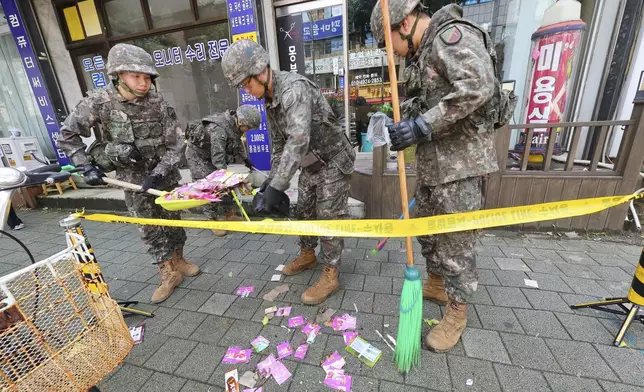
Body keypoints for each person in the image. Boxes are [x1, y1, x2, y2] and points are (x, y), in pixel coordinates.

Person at [370, 1, 515, 352]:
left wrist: (420, 126)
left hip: (462, 166)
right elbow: (432, 102)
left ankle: (457, 313)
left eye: (387, 43)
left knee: (457, 246)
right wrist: (406, 124)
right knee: (430, 235)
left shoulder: (451, 38)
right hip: (435, 166)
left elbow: (477, 87)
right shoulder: (423, 52)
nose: (392, 53)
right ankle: (435, 284)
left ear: (403, 23)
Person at [57, 43, 201, 304]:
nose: (144, 82)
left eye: (147, 77)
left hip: (164, 178)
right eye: (137, 76)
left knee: (175, 224)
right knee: (149, 228)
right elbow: (67, 135)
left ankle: (179, 260)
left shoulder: (159, 103)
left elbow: (177, 144)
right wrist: (85, 165)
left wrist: (159, 173)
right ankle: (168, 274)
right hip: (132, 181)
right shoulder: (100, 102)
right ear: (118, 75)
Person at [221, 40, 356, 305]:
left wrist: (278, 186)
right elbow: (280, 145)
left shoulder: (294, 91)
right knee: (304, 210)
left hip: (333, 160)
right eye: (242, 87)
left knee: (327, 218)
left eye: (247, 83)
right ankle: (307, 254)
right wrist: (270, 183)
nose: (247, 91)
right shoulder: (269, 99)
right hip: (309, 164)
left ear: (260, 71)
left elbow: (298, 140)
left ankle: (330, 273)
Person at [185, 105, 261, 236]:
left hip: (212, 154)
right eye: (248, 127)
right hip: (199, 156)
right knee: (208, 187)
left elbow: (237, 143)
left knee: (226, 185)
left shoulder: (234, 125)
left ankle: (229, 215)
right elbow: (218, 160)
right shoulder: (219, 130)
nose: (248, 130)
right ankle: (212, 220)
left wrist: (246, 160)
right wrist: (226, 178)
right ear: (241, 122)